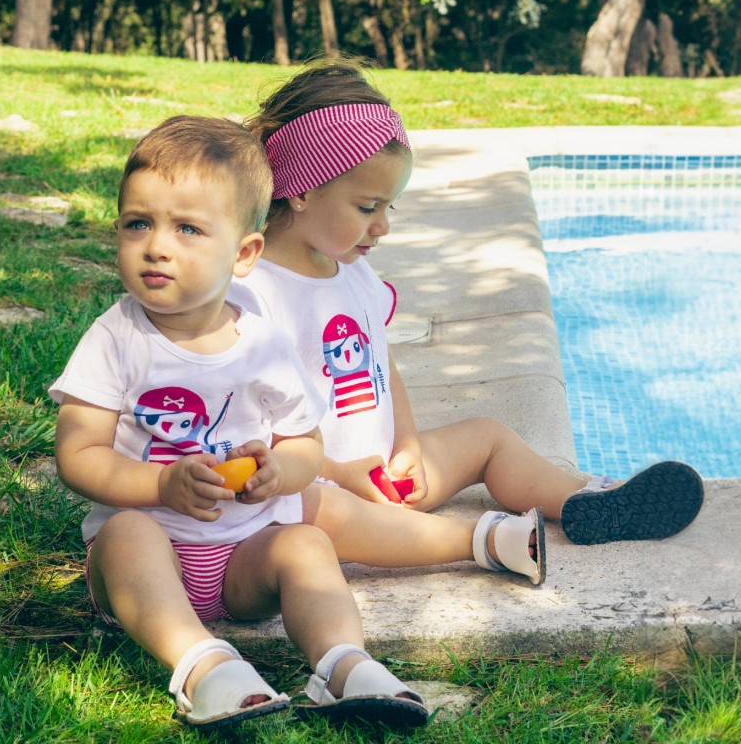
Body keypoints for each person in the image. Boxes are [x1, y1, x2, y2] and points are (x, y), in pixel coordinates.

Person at [240, 60, 704, 576]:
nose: (384, 226)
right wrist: (338, 473)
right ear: (303, 189)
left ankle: (585, 502)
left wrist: (407, 445)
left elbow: (381, 366)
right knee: (316, 513)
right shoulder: (254, 293)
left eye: (390, 207)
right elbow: (250, 429)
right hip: (316, 488)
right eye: (368, 207)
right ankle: (477, 541)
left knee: (488, 437)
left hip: (384, 478)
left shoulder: (352, 271)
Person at [50, 116, 429, 732]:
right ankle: (203, 666)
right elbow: (78, 455)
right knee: (127, 533)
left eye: (188, 229)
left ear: (245, 253)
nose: (157, 246)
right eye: (137, 223)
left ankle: (343, 664)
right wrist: (159, 485)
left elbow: (305, 443)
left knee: (306, 544)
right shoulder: (116, 337)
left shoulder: (263, 344)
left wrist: (281, 471)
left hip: (241, 560)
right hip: (149, 560)